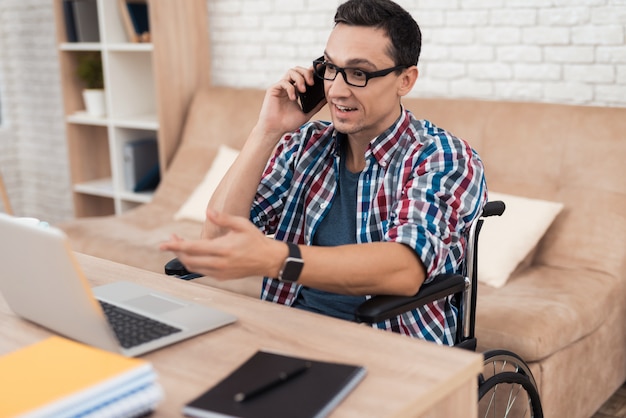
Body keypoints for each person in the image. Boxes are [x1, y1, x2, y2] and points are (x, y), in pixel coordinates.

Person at [160, 0, 487, 345]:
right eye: (330, 68)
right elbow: (216, 239)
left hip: (392, 346)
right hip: (288, 333)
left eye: (359, 73)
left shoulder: (441, 156)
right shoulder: (304, 145)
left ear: (405, 80)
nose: (336, 90)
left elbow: (404, 268)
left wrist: (278, 259)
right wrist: (266, 131)